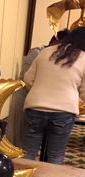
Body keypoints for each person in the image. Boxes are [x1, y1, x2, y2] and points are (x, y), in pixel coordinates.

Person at [22, 26, 85, 165]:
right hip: (64, 111)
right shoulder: (83, 57)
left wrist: (42, 90)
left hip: (35, 107)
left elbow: (28, 79)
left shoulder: (45, 52)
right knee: (55, 155)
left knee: (28, 152)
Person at [7, 29, 70, 148]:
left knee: (29, 139)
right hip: (24, 95)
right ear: (55, 41)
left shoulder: (54, 57)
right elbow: (27, 78)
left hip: (37, 100)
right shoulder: (36, 52)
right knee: (18, 134)